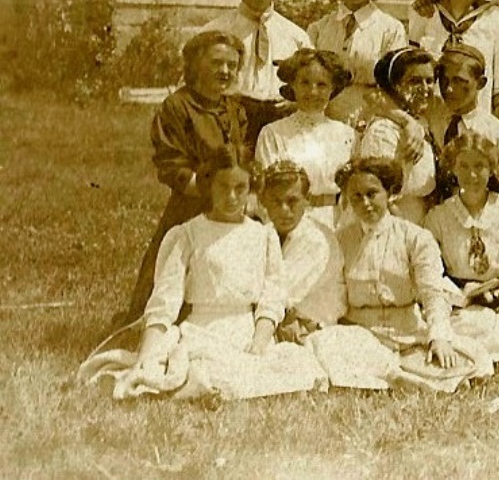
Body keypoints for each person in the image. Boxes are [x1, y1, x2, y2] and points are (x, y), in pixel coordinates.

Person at [81, 148, 327, 400]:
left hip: (246, 332)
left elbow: (272, 297)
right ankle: (202, 386)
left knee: (295, 365)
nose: (231, 196)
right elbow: (165, 301)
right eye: (223, 186)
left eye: (240, 188)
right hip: (201, 331)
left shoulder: (263, 236)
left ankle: (219, 385)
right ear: (208, 185)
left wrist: (259, 342)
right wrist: (146, 355)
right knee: (190, 368)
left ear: (251, 188)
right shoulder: (188, 234)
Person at [333, 157, 493, 388]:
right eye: (357, 197)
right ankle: (397, 376)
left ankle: (392, 374)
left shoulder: (415, 238)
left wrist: (439, 337)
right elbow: (334, 294)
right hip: (362, 334)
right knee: (323, 344)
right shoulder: (340, 239)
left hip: (407, 334)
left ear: (389, 193)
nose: (366, 203)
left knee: (472, 359)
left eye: (372, 193)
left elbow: (432, 293)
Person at [123, 31, 249, 323]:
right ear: (195, 65)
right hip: (191, 208)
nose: (225, 71)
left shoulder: (234, 110)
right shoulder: (177, 106)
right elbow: (173, 167)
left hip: (230, 208)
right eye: (217, 62)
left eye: (232, 65)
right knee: (173, 281)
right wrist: (211, 196)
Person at [201, 0, 311, 149]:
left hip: (281, 128)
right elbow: (190, 88)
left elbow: (313, 87)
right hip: (229, 127)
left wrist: (295, 102)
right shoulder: (214, 33)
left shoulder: (297, 38)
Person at [306, 0, 407, 129]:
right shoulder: (319, 28)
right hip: (322, 121)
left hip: (370, 120)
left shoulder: (390, 29)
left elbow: (394, 87)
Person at [427, 43, 499, 215]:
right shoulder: (431, 115)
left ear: (481, 83)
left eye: (459, 81)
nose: (449, 89)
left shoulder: (497, 133)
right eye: (444, 80)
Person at [254, 49, 356, 229]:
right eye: (305, 83)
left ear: (333, 89)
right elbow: (265, 191)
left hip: (337, 223)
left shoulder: (347, 135)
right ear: (293, 85)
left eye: (322, 84)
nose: (313, 92)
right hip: (291, 222)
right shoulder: (273, 133)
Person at [426, 131, 499, 285]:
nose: (472, 175)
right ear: (454, 168)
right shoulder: (438, 218)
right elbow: (430, 272)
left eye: (479, 166)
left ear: (491, 169)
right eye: (463, 166)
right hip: (455, 301)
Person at [258, 161, 345, 339]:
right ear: (264, 202)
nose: (284, 210)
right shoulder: (265, 232)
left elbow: (279, 293)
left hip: (314, 330)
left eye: (292, 201)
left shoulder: (316, 239)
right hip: (278, 321)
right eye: (276, 201)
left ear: (308, 200)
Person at [355, 47, 440, 226]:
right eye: (415, 81)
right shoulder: (382, 132)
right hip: (394, 224)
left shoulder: (422, 123)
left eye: (429, 81)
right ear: (395, 85)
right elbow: (380, 197)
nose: (425, 88)